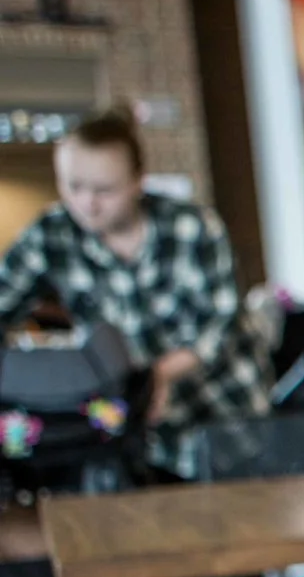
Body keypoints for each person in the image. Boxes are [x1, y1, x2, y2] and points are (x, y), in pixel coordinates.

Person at [0, 109, 266, 470]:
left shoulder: (193, 227)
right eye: (73, 187)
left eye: (104, 190)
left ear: (138, 180)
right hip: (134, 432)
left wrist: (156, 378)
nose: (87, 203)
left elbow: (218, 326)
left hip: (225, 413)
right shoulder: (50, 234)